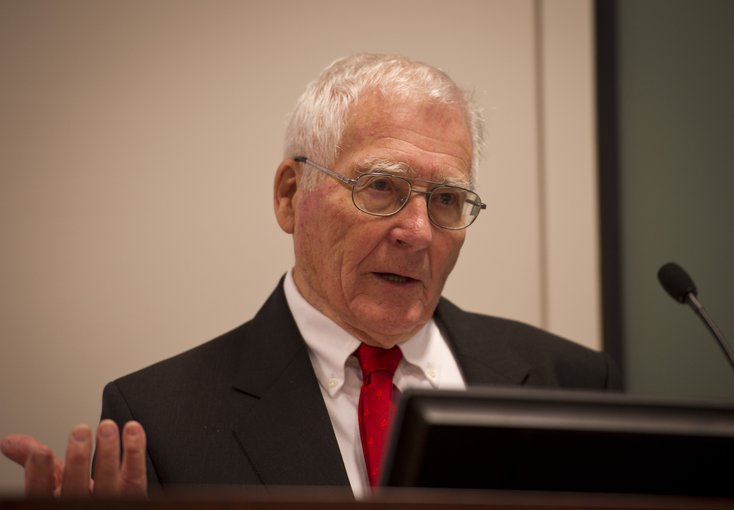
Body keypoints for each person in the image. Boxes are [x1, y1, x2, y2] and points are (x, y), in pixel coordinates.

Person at [1, 53, 621, 499]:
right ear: (290, 195)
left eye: (448, 200)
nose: (419, 232)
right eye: (381, 187)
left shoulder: (570, 382)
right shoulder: (161, 420)